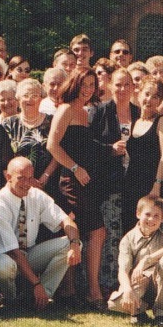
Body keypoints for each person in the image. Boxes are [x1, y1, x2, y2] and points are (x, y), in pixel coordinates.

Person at [47, 68, 108, 308]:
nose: (88, 89)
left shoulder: (86, 112)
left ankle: (72, 290)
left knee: (84, 231)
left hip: (86, 181)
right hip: (71, 181)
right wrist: (74, 168)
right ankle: (91, 291)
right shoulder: (65, 109)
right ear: (74, 84)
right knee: (95, 230)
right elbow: (52, 145)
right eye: (84, 84)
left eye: (92, 85)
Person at [0, 157, 81, 311]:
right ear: (8, 177)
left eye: (30, 178)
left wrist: (75, 244)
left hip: (28, 254)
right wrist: (35, 283)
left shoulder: (36, 195)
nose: (26, 183)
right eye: (21, 178)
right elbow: (13, 252)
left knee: (70, 243)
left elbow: (66, 221)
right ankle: (11, 299)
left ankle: (41, 296)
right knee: (4, 265)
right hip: (5, 257)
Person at [90, 67, 137, 297]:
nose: (122, 89)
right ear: (110, 86)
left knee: (128, 234)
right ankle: (105, 283)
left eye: (127, 84)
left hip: (133, 184)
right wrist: (110, 150)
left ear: (133, 87)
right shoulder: (100, 112)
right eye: (118, 84)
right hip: (108, 184)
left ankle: (128, 283)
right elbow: (87, 144)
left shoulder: (139, 113)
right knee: (110, 235)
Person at [112, 196, 163, 326]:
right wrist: (127, 290)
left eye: (157, 216)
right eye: (148, 214)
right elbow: (123, 270)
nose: (151, 219)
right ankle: (138, 312)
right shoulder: (127, 239)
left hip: (161, 280)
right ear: (138, 214)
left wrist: (145, 260)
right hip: (141, 281)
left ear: (162, 218)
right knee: (116, 302)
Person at [122, 75, 163, 225]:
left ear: (160, 101)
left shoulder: (162, 121)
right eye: (147, 94)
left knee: (150, 229)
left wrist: (157, 185)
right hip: (131, 183)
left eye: (155, 97)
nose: (149, 100)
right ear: (139, 94)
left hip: (151, 184)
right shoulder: (134, 120)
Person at [2, 78, 56, 198]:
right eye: (25, 95)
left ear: (41, 98)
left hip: (46, 183)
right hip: (16, 186)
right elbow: (3, 158)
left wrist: (45, 176)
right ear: (18, 98)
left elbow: (58, 152)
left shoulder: (52, 121)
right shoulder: (8, 124)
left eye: (35, 95)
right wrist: (24, 181)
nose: (29, 99)